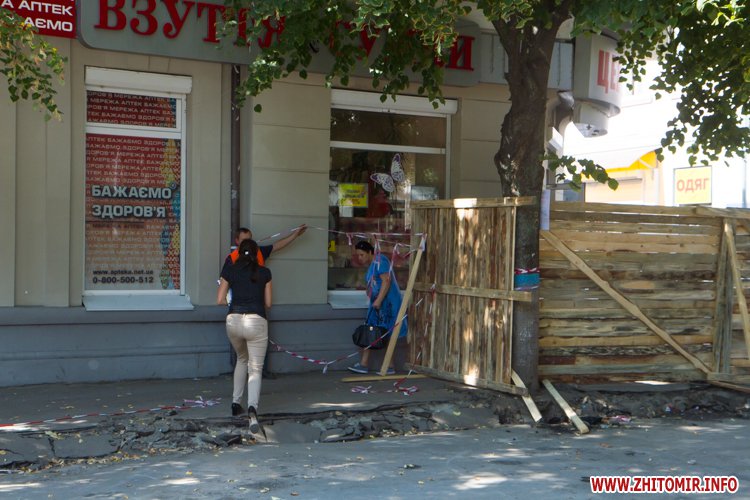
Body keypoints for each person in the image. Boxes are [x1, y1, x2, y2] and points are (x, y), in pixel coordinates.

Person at [216, 239, 272, 433]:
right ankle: (252, 410)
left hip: (233, 321)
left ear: (239, 253)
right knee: (255, 369)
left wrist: (233, 302)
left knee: (241, 359)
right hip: (256, 321)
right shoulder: (265, 273)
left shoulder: (230, 271)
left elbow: (219, 300)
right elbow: (268, 303)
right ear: (257, 254)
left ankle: (235, 403)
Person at [348, 240, 407, 374]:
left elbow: (386, 280)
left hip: (386, 304)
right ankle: (365, 364)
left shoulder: (380, 261)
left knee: (385, 332)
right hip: (377, 304)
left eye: (362, 255)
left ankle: (388, 366)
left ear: (370, 252)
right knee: (372, 330)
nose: (360, 258)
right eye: (358, 255)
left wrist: (379, 300)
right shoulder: (373, 264)